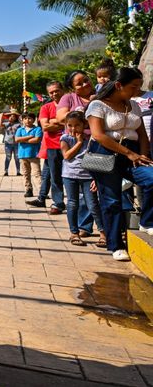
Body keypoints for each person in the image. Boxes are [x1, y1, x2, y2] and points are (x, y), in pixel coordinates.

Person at [86, 67, 153, 261]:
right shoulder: (97, 105)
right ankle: (116, 245)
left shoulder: (134, 105)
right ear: (118, 85)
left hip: (133, 153)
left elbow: (142, 134)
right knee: (112, 200)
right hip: (106, 153)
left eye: (139, 86)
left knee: (150, 179)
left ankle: (147, 222)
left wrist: (142, 154)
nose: (137, 91)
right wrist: (129, 153)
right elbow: (98, 136)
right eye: (133, 87)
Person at [60, 111, 103, 247]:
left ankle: (103, 233)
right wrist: (78, 143)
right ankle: (74, 233)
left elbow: (96, 159)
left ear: (84, 124)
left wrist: (96, 178)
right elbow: (66, 156)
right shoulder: (65, 138)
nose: (73, 129)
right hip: (70, 175)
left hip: (88, 176)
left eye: (77, 125)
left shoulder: (92, 138)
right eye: (70, 125)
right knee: (72, 204)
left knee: (93, 205)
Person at [28, 82, 66, 214]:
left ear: (63, 90)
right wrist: (64, 123)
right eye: (51, 92)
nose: (55, 94)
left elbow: (77, 122)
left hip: (71, 144)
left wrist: (54, 121)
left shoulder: (70, 104)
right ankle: (58, 203)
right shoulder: (46, 107)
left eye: (57, 90)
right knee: (54, 177)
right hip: (52, 145)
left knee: (72, 175)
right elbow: (45, 127)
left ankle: (74, 202)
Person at [16, 112, 42, 199]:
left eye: (30, 118)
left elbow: (37, 139)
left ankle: (41, 191)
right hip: (22, 155)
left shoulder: (37, 129)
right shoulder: (20, 129)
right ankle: (28, 189)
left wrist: (23, 140)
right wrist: (30, 137)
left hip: (34, 155)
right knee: (26, 174)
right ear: (22, 120)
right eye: (25, 119)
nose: (27, 120)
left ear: (34, 120)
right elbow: (17, 139)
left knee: (37, 173)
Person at [1, 111, 21, 176]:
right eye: (10, 116)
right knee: (8, 157)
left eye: (13, 116)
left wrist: (16, 113)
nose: (11, 117)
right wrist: (1, 116)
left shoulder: (18, 124)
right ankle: (6, 171)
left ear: (16, 118)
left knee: (17, 157)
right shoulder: (7, 124)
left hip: (16, 143)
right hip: (8, 143)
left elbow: (22, 120)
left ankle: (18, 171)